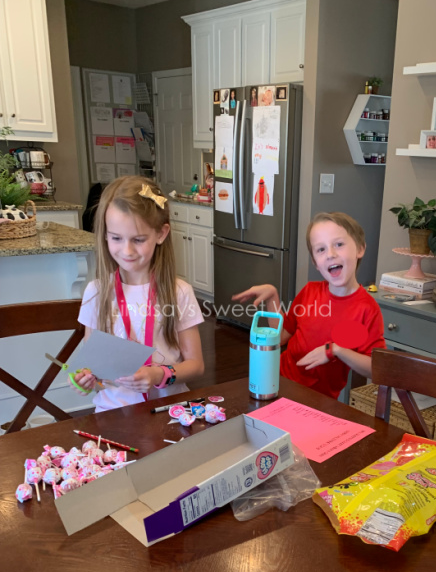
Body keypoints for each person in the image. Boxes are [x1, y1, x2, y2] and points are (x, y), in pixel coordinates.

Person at [71, 176, 204, 411]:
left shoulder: (180, 292)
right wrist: (85, 380)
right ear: (105, 234)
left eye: (138, 239)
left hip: (169, 410)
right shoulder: (96, 292)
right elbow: (94, 371)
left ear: (161, 234)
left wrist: (158, 375)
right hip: (113, 413)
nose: (127, 250)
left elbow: (196, 365)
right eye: (116, 238)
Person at [232, 212, 386, 399]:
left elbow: (376, 369)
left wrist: (336, 350)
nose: (331, 254)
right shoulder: (309, 292)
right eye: (321, 249)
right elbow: (281, 337)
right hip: (277, 383)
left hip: (319, 401)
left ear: (360, 249)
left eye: (339, 244)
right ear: (315, 263)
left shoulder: (367, 310)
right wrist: (272, 296)